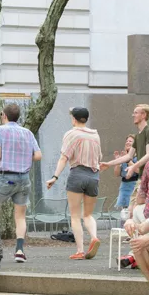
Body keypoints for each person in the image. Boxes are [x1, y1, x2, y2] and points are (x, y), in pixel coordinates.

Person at [0, 103, 42, 263]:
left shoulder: (0, 130)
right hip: (24, 178)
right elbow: (38, 156)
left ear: (4, 115)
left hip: (6, 178)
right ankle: (20, 250)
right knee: (20, 216)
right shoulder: (27, 132)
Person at [46, 107, 102, 260]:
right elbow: (99, 158)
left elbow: (64, 158)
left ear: (74, 119)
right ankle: (94, 237)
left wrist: (54, 177)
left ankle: (80, 250)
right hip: (94, 175)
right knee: (88, 214)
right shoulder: (95, 135)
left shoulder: (71, 134)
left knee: (75, 216)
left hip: (77, 174)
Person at [100, 104, 149, 182]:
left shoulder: (148, 131)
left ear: (143, 115)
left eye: (136, 113)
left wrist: (133, 167)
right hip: (142, 178)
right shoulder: (138, 136)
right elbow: (128, 156)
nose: (133, 115)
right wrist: (108, 164)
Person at [114, 135, 138, 209]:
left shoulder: (139, 156)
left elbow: (138, 170)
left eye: (130, 141)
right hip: (124, 186)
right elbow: (116, 174)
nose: (127, 142)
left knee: (133, 209)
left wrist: (128, 160)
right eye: (127, 141)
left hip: (135, 186)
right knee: (124, 212)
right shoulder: (123, 157)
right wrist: (117, 162)